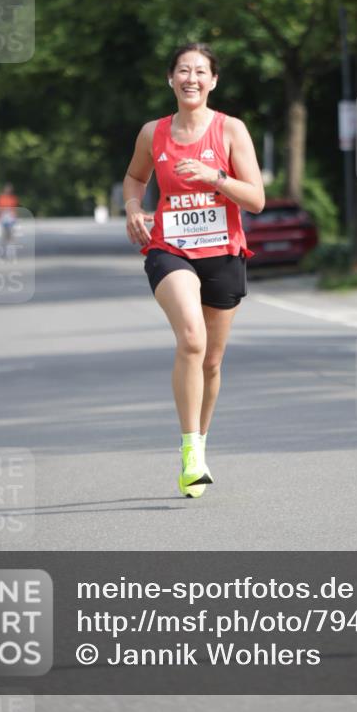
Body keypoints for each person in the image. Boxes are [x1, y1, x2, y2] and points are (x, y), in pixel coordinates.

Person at [123, 43, 265, 498]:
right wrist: (132, 208)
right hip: (170, 250)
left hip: (223, 252)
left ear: (213, 81)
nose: (191, 78)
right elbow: (135, 179)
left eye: (200, 71)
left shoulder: (230, 131)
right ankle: (188, 452)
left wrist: (214, 178)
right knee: (191, 337)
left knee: (212, 360)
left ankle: (200, 445)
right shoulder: (153, 133)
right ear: (170, 79)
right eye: (183, 70)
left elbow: (257, 200)